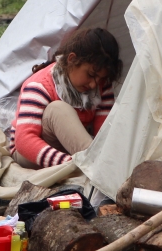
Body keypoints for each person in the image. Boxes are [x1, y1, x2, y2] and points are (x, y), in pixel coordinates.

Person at [10, 27, 121, 168]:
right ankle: (96, 166)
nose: (94, 84)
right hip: (32, 153)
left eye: (100, 78)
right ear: (72, 59)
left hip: (74, 150)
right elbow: (25, 142)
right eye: (91, 75)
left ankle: (96, 164)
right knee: (58, 109)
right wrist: (69, 164)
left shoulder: (101, 85)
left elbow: (104, 130)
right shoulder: (39, 86)